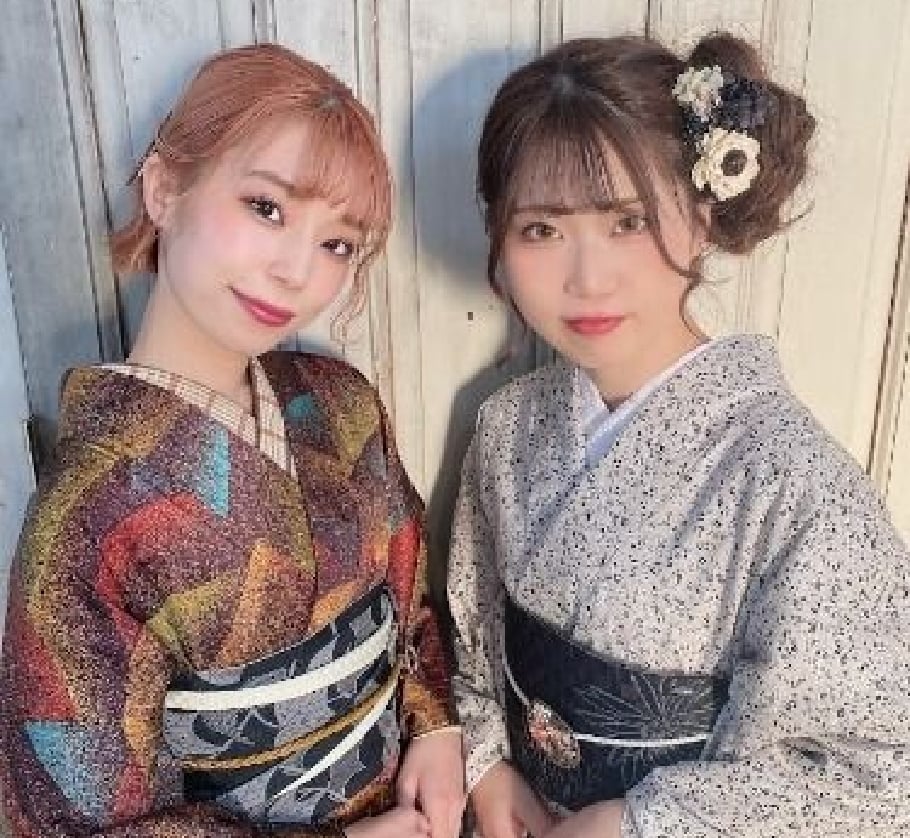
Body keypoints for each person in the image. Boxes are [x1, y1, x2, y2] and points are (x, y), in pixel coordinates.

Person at [447, 33, 910, 838]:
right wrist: (486, 761)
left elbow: (881, 771)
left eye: (628, 221)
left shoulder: (797, 486)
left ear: (703, 217)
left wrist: (641, 822)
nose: (588, 279)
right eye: (541, 230)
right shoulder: (507, 423)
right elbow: (473, 621)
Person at [0, 43, 464, 838]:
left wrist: (435, 724)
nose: (296, 270)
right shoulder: (85, 513)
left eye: (337, 243)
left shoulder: (340, 404)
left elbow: (408, 591)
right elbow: (73, 823)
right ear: (164, 187)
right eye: (266, 207)